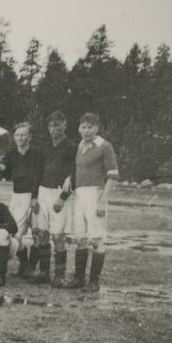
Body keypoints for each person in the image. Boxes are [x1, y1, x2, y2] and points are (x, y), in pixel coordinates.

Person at [66, 113, 119, 292]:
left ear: (97, 128)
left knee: (96, 239)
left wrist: (102, 201)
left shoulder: (105, 146)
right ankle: (79, 279)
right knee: (80, 237)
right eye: (83, 127)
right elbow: (76, 170)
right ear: (79, 128)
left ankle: (94, 282)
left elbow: (112, 177)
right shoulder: (80, 146)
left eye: (90, 127)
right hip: (79, 195)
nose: (86, 131)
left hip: (95, 194)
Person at [31, 111, 77, 286]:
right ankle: (44, 272)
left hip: (59, 195)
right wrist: (34, 197)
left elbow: (74, 174)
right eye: (50, 126)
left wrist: (63, 197)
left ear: (64, 125)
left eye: (57, 125)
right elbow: (37, 173)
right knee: (41, 233)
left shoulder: (72, 147)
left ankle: (59, 275)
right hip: (43, 192)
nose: (53, 129)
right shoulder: (44, 147)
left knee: (58, 236)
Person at [0, 122, 43, 278]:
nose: (20, 138)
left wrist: (35, 197)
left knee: (37, 233)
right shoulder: (11, 154)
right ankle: (23, 262)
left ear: (30, 136)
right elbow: (4, 170)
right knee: (15, 234)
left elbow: (38, 176)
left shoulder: (37, 153)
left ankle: (32, 266)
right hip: (17, 196)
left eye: (23, 134)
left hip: (35, 196)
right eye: (17, 135)